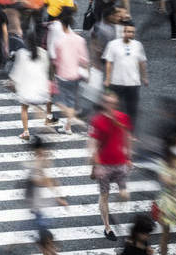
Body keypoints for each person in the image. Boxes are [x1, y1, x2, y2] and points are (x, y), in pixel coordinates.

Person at [89, 91, 132, 241]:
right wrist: (97, 164)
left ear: (116, 103)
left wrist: (129, 157)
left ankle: (111, 212)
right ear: (103, 103)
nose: (110, 105)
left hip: (120, 162)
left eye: (112, 102)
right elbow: (93, 144)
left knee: (124, 195)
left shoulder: (123, 117)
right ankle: (107, 226)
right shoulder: (97, 121)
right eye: (107, 102)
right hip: (104, 165)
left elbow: (127, 137)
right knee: (104, 195)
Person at [103, 21, 148, 126]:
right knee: (117, 108)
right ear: (123, 31)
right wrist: (108, 79)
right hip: (116, 82)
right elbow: (109, 62)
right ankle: (115, 129)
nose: (130, 34)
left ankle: (130, 132)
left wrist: (144, 77)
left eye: (132, 32)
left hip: (133, 83)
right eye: (127, 31)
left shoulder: (138, 45)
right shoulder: (113, 44)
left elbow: (142, 62)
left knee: (132, 109)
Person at [51, 12, 89, 133]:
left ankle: (74, 121)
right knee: (71, 100)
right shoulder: (80, 40)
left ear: (63, 25)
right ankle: (68, 126)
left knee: (59, 101)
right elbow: (84, 59)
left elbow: (56, 60)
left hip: (63, 75)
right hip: (75, 75)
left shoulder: (59, 42)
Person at [10, 31, 51, 141]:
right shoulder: (43, 53)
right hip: (41, 86)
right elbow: (47, 69)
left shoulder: (22, 53)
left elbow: (17, 71)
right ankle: (48, 118)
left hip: (27, 87)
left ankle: (26, 131)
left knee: (24, 108)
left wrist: (14, 83)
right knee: (40, 104)